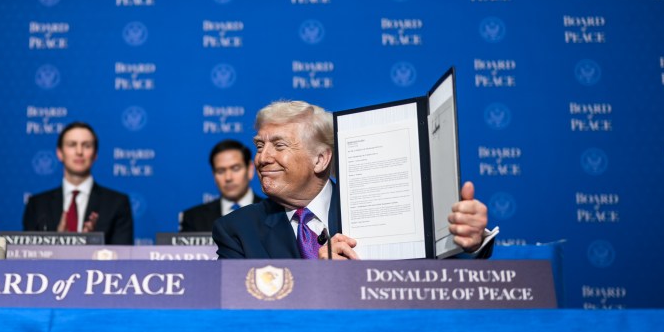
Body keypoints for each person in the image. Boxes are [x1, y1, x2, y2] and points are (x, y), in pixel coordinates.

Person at [212, 100, 495, 260]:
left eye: (279, 146)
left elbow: (430, 280)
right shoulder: (236, 230)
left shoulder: (382, 208)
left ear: (321, 159)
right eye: (260, 146)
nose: (262, 158)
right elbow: (239, 312)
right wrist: (315, 279)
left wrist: (469, 240)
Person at [22, 121, 134, 245]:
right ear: (59, 153)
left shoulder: (116, 203)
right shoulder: (37, 205)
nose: (79, 151)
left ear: (95, 154)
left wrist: (90, 245)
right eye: (72, 145)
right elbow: (29, 257)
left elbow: (122, 259)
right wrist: (58, 244)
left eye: (86, 145)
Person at [179, 139, 263, 232]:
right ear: (214, 175)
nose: (228, 178)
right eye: (221, 171)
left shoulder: (274, 212)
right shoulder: (193, 218)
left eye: (235, 168)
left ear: (250, 170)